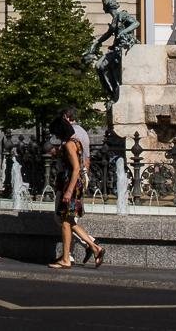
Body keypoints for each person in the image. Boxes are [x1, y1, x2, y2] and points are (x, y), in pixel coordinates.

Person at [47, 114, 104, 270]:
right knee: (68, 221)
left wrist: (68, 191)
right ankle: (94, 247)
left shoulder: (69, 145)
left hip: (70, 185)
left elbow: (76, 169)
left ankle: (66, 259)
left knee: (65, 222)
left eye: (56, 133)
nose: (56, 136)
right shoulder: (74, 142)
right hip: (72, 185)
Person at [62, 106, 100, 265]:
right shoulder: (83, 132)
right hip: (80, 179)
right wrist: (85, 179)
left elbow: (75, 165)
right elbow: (87, 159)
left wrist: (69, 189)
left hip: (71, 180)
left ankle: (90, 244)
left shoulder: (70, 135)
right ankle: (71, 253)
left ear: (66, 116)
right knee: (67, 218)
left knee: (63, 219)